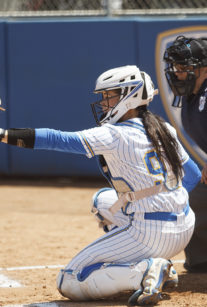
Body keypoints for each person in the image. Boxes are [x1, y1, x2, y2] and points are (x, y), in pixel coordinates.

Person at [0, 65, 201, 305]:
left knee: (69, 280)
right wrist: (170, 204)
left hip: (150, 234)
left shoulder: (114, 135)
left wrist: (3, 133)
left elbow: (58, 139)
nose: (105, 102)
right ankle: (144, 262)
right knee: (103, 200)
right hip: (184, 226)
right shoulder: (164, 128)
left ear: (131, 96)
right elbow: (193, 175)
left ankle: (143, 270)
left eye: (110, 95)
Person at [163, 35, 207, 273]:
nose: (178, 73)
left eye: (184, 67)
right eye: (176, 67)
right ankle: (202, 259)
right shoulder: (193, 95)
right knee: (189, 197)